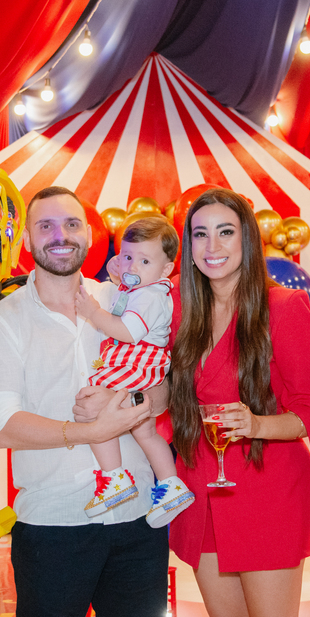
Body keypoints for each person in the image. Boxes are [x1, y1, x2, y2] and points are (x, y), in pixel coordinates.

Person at [0, 186, 170, 617]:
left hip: (137, 514)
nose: (61, 236)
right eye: (46, 226)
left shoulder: (123, 301)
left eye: (71, 225)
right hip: (55, 520)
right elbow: (4, 425)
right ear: (28, 238)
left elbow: (165, 382)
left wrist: (134, 399)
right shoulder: (4, 320)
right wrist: (87, 431)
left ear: (90, 232)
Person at [167, 187, 310, 617]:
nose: (212, 245)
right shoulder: (179, 309)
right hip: (201, 493)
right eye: (200, 233)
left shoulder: (284, 308)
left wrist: (256, 423)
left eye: (226, 231)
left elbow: (309, 408)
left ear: (248, 240)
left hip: (268, 491)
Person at [75, 217, 195, 526]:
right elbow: (126, 290)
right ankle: (171, 484)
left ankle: (114, 477)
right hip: (142, 362)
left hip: (136, 360)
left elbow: (127, 330)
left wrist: (92, 312)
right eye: (128, 256)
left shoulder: (152, 296)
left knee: (91, 406)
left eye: (144, 260)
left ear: (166, 270)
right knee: (145, 431)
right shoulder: (143, 288)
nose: (133, 266)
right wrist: (122, 271)